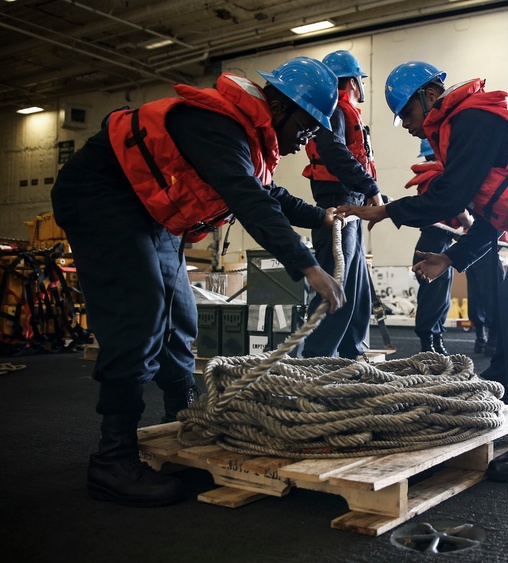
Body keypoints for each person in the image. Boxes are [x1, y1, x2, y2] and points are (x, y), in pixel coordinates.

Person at [50, 57, 347, 507]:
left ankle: (183, 420)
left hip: (148, 212)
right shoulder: (216, 125)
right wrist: (308, 266)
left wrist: (319, 218)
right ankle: (112, 459)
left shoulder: (247, 137)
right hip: (102, 195)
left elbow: (265, 192)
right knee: (141, 315)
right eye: (306, 128)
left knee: (179, 317)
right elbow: (247, 198)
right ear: (283, 108)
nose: (304, 141)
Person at [335, 61, 508, 482]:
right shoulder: (463, 129)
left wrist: (385, 210)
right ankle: (497, 388)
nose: (405, 125)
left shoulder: (470, 121)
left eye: (407, 113)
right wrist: (451, 259)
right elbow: (493, 215)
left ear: (430, 97)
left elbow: (449, 195)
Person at [300, 50, 381, 359]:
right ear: (351, 82)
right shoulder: (333, 109)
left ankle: (351, 354)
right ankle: (318, 360)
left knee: (356, 285)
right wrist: (371, 187)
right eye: (360, 81)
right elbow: (333, 152)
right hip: (339, 203)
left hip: (352, 203)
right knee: (339, 279)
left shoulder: (342, 113)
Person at [405, 139, 472, 353]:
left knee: (438, 298)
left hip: (434, 241)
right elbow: (456, 208)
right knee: (434, 299)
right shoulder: (439, 178)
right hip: (435, 244)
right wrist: (470, 224)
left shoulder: (429, 178)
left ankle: (434, 342)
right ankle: (429, 345)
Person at [466, 230, 506, 355]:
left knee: (475, 295)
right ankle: (492, 340)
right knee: (493, 296)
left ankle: (481, 339)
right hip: (487, 250)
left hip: (471, 252)